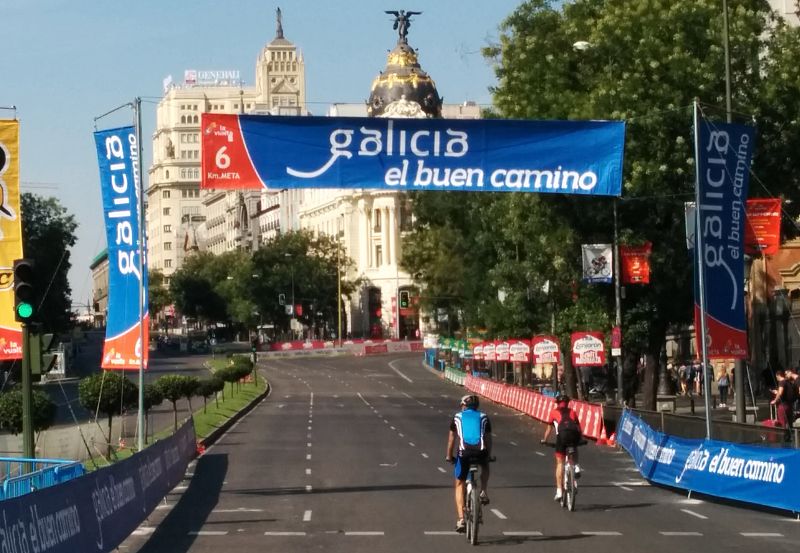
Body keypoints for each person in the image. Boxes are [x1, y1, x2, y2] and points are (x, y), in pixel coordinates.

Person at [446, 394, 492, 533]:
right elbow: (488, 439)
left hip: (464, 453)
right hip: (481, 451)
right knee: (485, 465)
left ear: (464, 405)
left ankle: (461, 519)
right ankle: (483, 490)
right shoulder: (484, 417)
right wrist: (488, 456)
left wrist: (449, 456)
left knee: (459, 483)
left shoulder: (457, 417)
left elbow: (452, 439)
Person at [541, 393, 583, 501]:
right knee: (574, 446)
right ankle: (576, 466)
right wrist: (580, 439)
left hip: (562, 436)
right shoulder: (573, 412)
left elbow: (549, 429)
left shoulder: (554, 412)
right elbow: (578, 428)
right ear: (567, 403)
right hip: (574, 435)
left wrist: (544, 440)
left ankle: (559, 491)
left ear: (557, 403)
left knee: (560, 462)